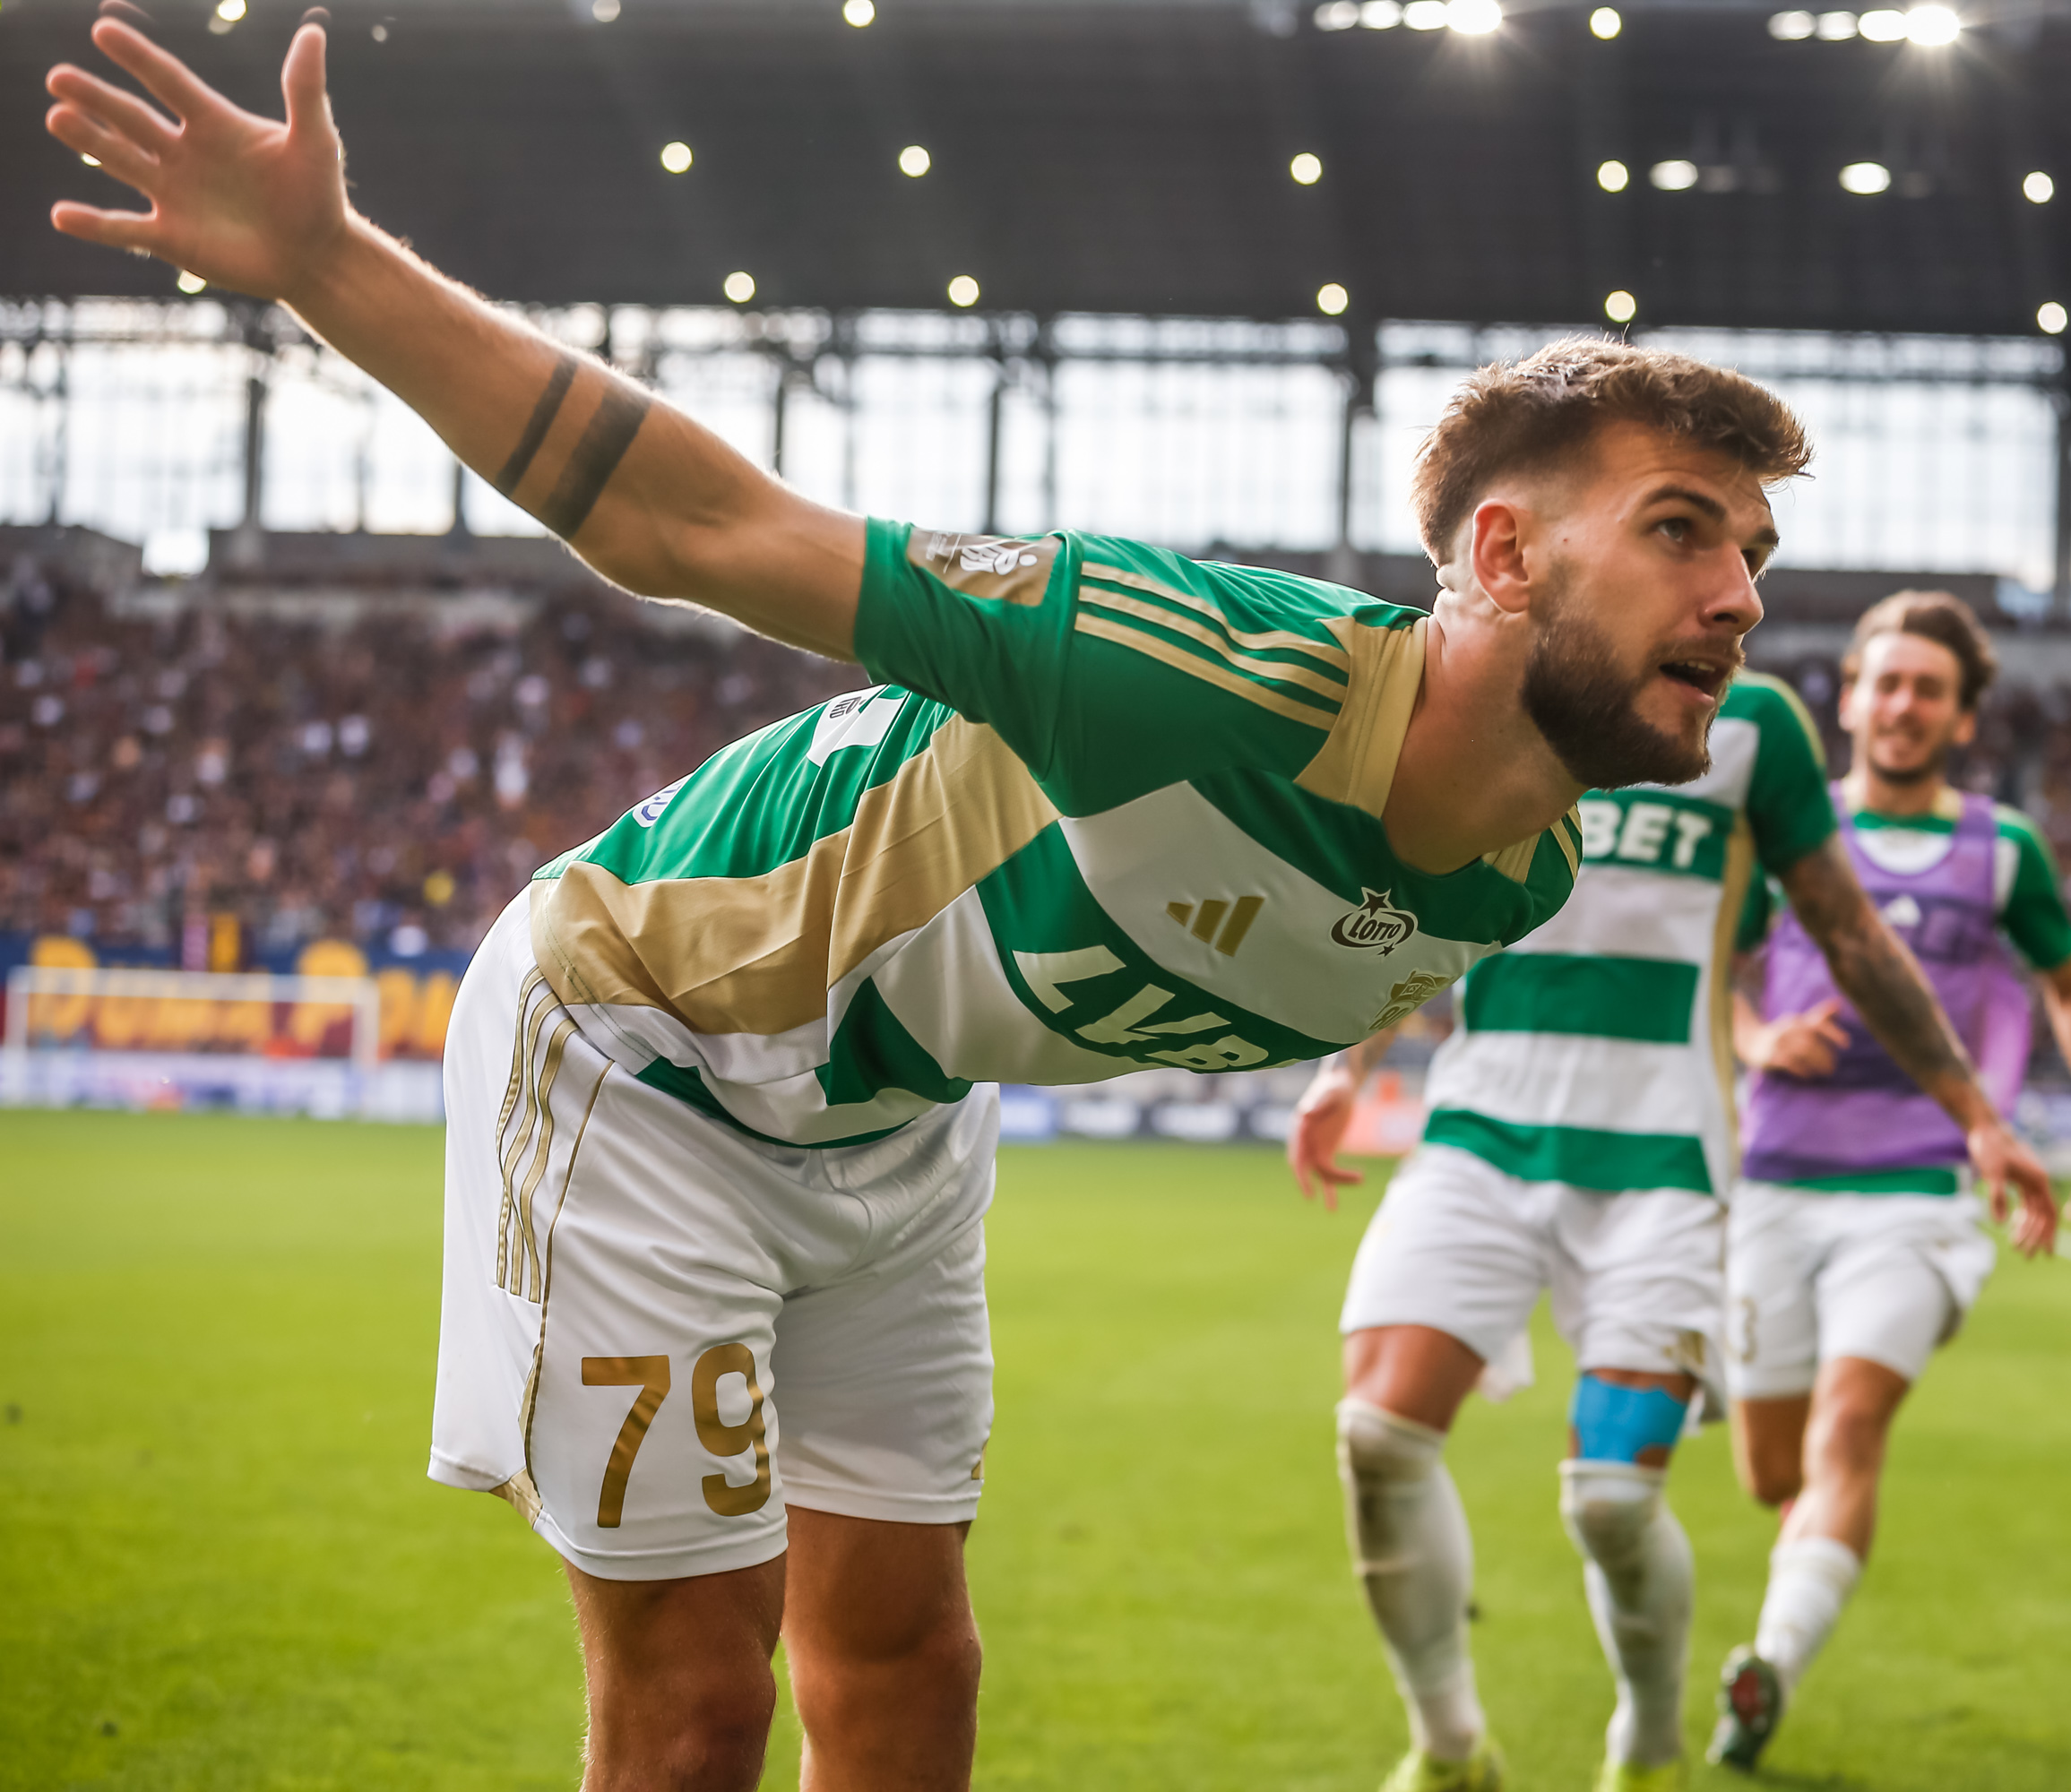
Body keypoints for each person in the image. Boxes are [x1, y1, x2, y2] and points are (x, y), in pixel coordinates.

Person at [41, 19, 1813, 1785]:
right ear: (1502, 554)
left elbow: (1310, 925)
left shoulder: (1524, 871)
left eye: (1753, 551)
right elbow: (697, 526)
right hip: (646, 1036)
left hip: (896, 1119)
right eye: (1680, 529)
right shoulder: (1189, 668)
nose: (1739, 594)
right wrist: (325, 264)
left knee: (908, 1673)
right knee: (695, 1710)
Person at [1290, 633, 2054, 1792]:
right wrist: (1345, 1065)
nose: (1726, 582)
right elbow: (1415, 894)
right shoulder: (1489, 684)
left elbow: (1849, 931)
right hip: (1481, 1127)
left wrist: (1976, 1115)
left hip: (1664, 1156)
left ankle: (1647, 1747)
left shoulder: (1755, 725)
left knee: (1611, 1499)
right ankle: (1449, 1746)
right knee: (1378, 1437)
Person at [1704, 592, 2071, 1773]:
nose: (1903, 706)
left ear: (1962, 719)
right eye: (1885, 683)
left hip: (1919, 1190)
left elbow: (2070, 987)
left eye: (1929, 690)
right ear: (1849, 698)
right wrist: (1756, 1037)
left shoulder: (2003, 850)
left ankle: (1769, 1665)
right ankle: (1788, 1593)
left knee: (1850, 1427)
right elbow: (1714, 966)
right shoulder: (1785, 830)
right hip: (1775, 1182)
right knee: (1775, 1472)